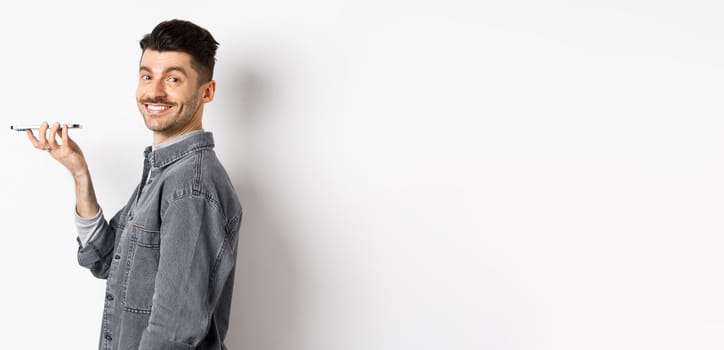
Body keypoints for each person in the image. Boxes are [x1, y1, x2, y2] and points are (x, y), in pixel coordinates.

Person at [25, 19, 242, 350]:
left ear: (206, 92)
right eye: (147, 76)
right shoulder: (164, 171)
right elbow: (106, 260)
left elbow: (173, 332)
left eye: (173, 79)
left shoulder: (191, 186)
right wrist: (79, 172)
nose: (154, 91)